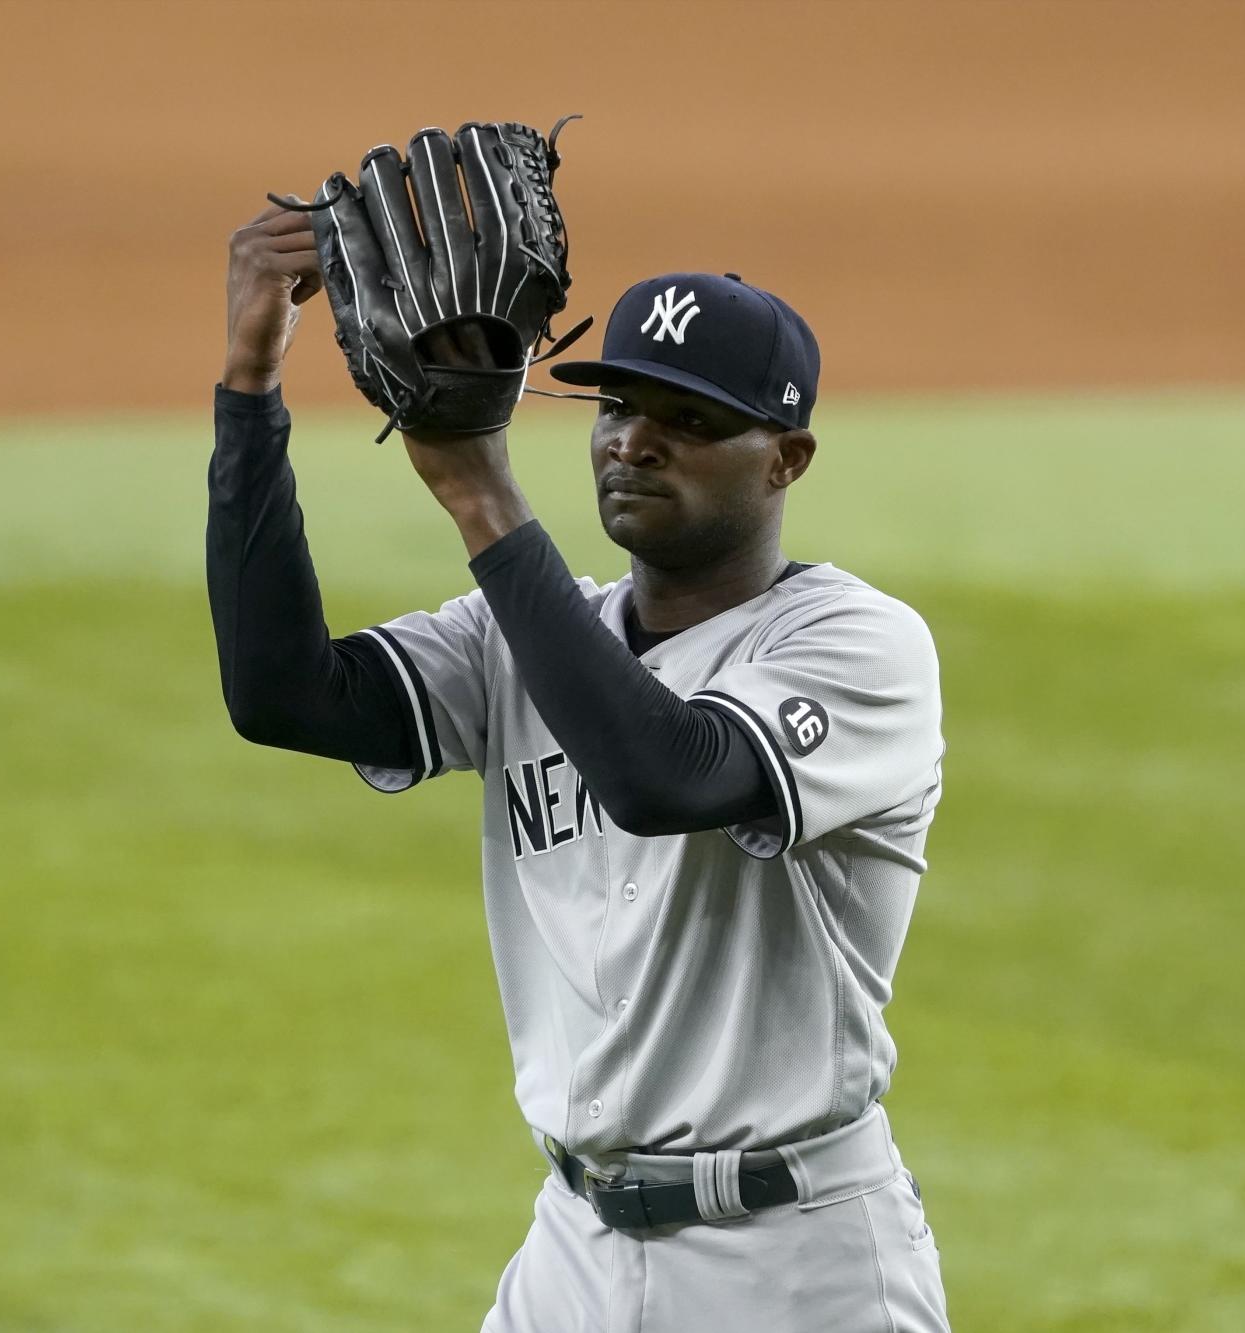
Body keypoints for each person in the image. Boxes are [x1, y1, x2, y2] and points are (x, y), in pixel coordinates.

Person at [210, 200, 951, 1332]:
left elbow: (663, 776)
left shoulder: (857, 644)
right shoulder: (524, 635)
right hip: (573, 1248)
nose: (633, 441)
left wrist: (482, 495)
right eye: (615, 405)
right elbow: (281, 695)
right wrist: (251, 384)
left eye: (689, 419)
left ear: (785, 458)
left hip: (794, 1261)